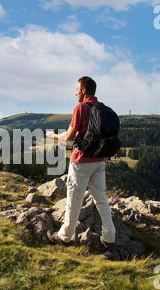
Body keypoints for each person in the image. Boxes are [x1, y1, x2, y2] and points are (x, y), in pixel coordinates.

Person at [46, 76, 117, 259]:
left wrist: (53, 136)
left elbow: (69, 136)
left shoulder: (80, 108)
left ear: (84, 90)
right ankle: (109, 237)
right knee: (101, 199)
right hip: (99, 160)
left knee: (74, 200)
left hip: (81, 161)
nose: (76, 92)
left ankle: (65, 236)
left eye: (77, 89)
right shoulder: (102, 109)